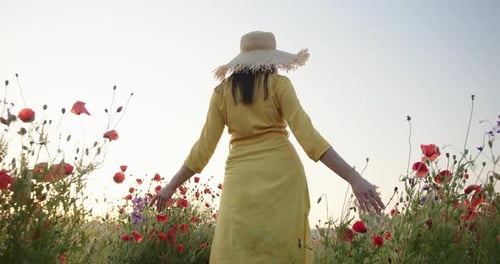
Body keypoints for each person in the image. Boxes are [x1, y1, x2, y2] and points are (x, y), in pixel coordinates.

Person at [150, 31, 385, 263]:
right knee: (282, 250)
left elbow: (203, 148)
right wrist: (354, 178)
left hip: (239, 181)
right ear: (271, 60)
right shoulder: (279, 85)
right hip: (283, 176)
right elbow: (309, 138)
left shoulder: (222, 93)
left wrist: (170, 187)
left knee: (235, 249)